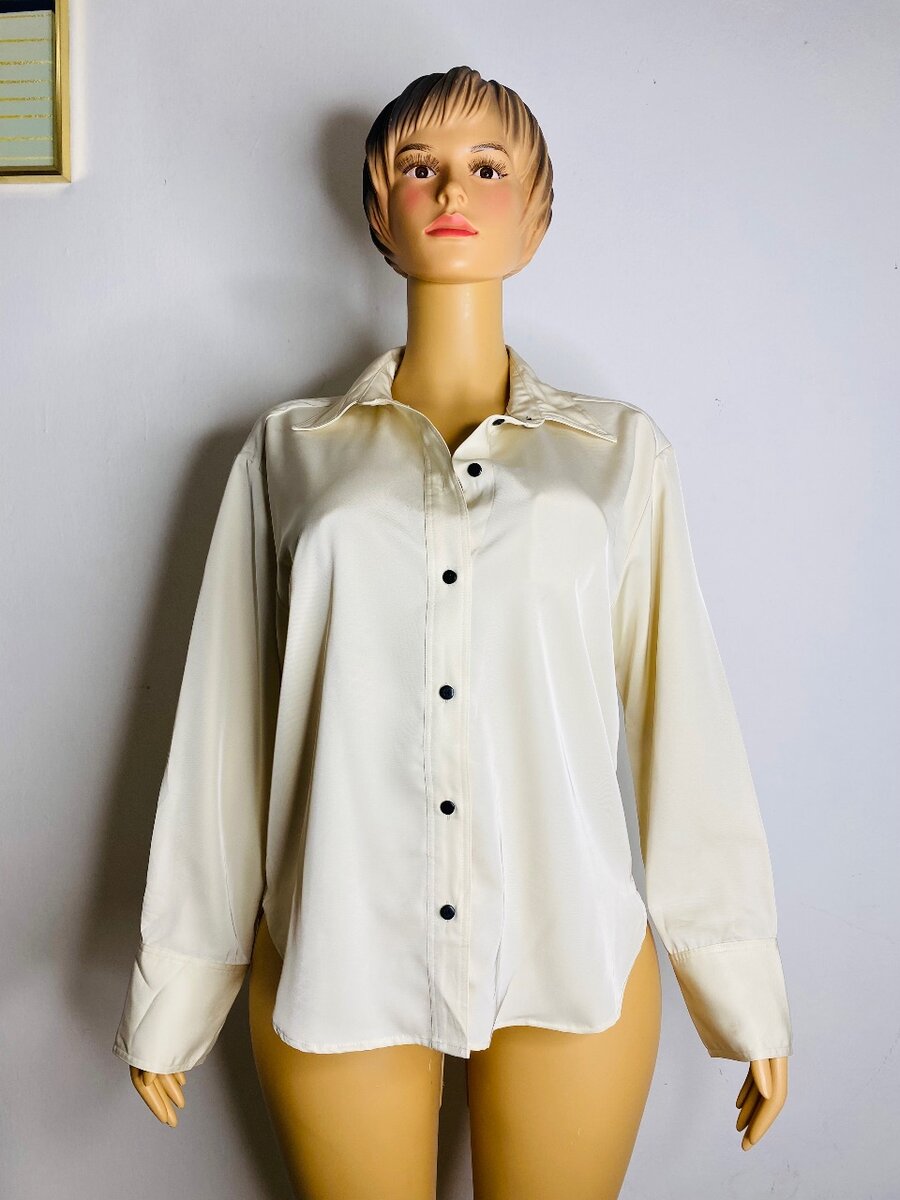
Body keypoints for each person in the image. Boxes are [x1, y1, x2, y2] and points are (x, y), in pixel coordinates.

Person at [113, 66, 792, 1199]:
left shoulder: (620, 457)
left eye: (488, 166)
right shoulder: (289, 454)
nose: (452, 191)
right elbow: (223, 736)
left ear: (537, 213)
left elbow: (687, 727)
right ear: (378, 210)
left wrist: (740, 983)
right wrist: (178, 987)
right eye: (419, 168)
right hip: (338, 949)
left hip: (571, 951)